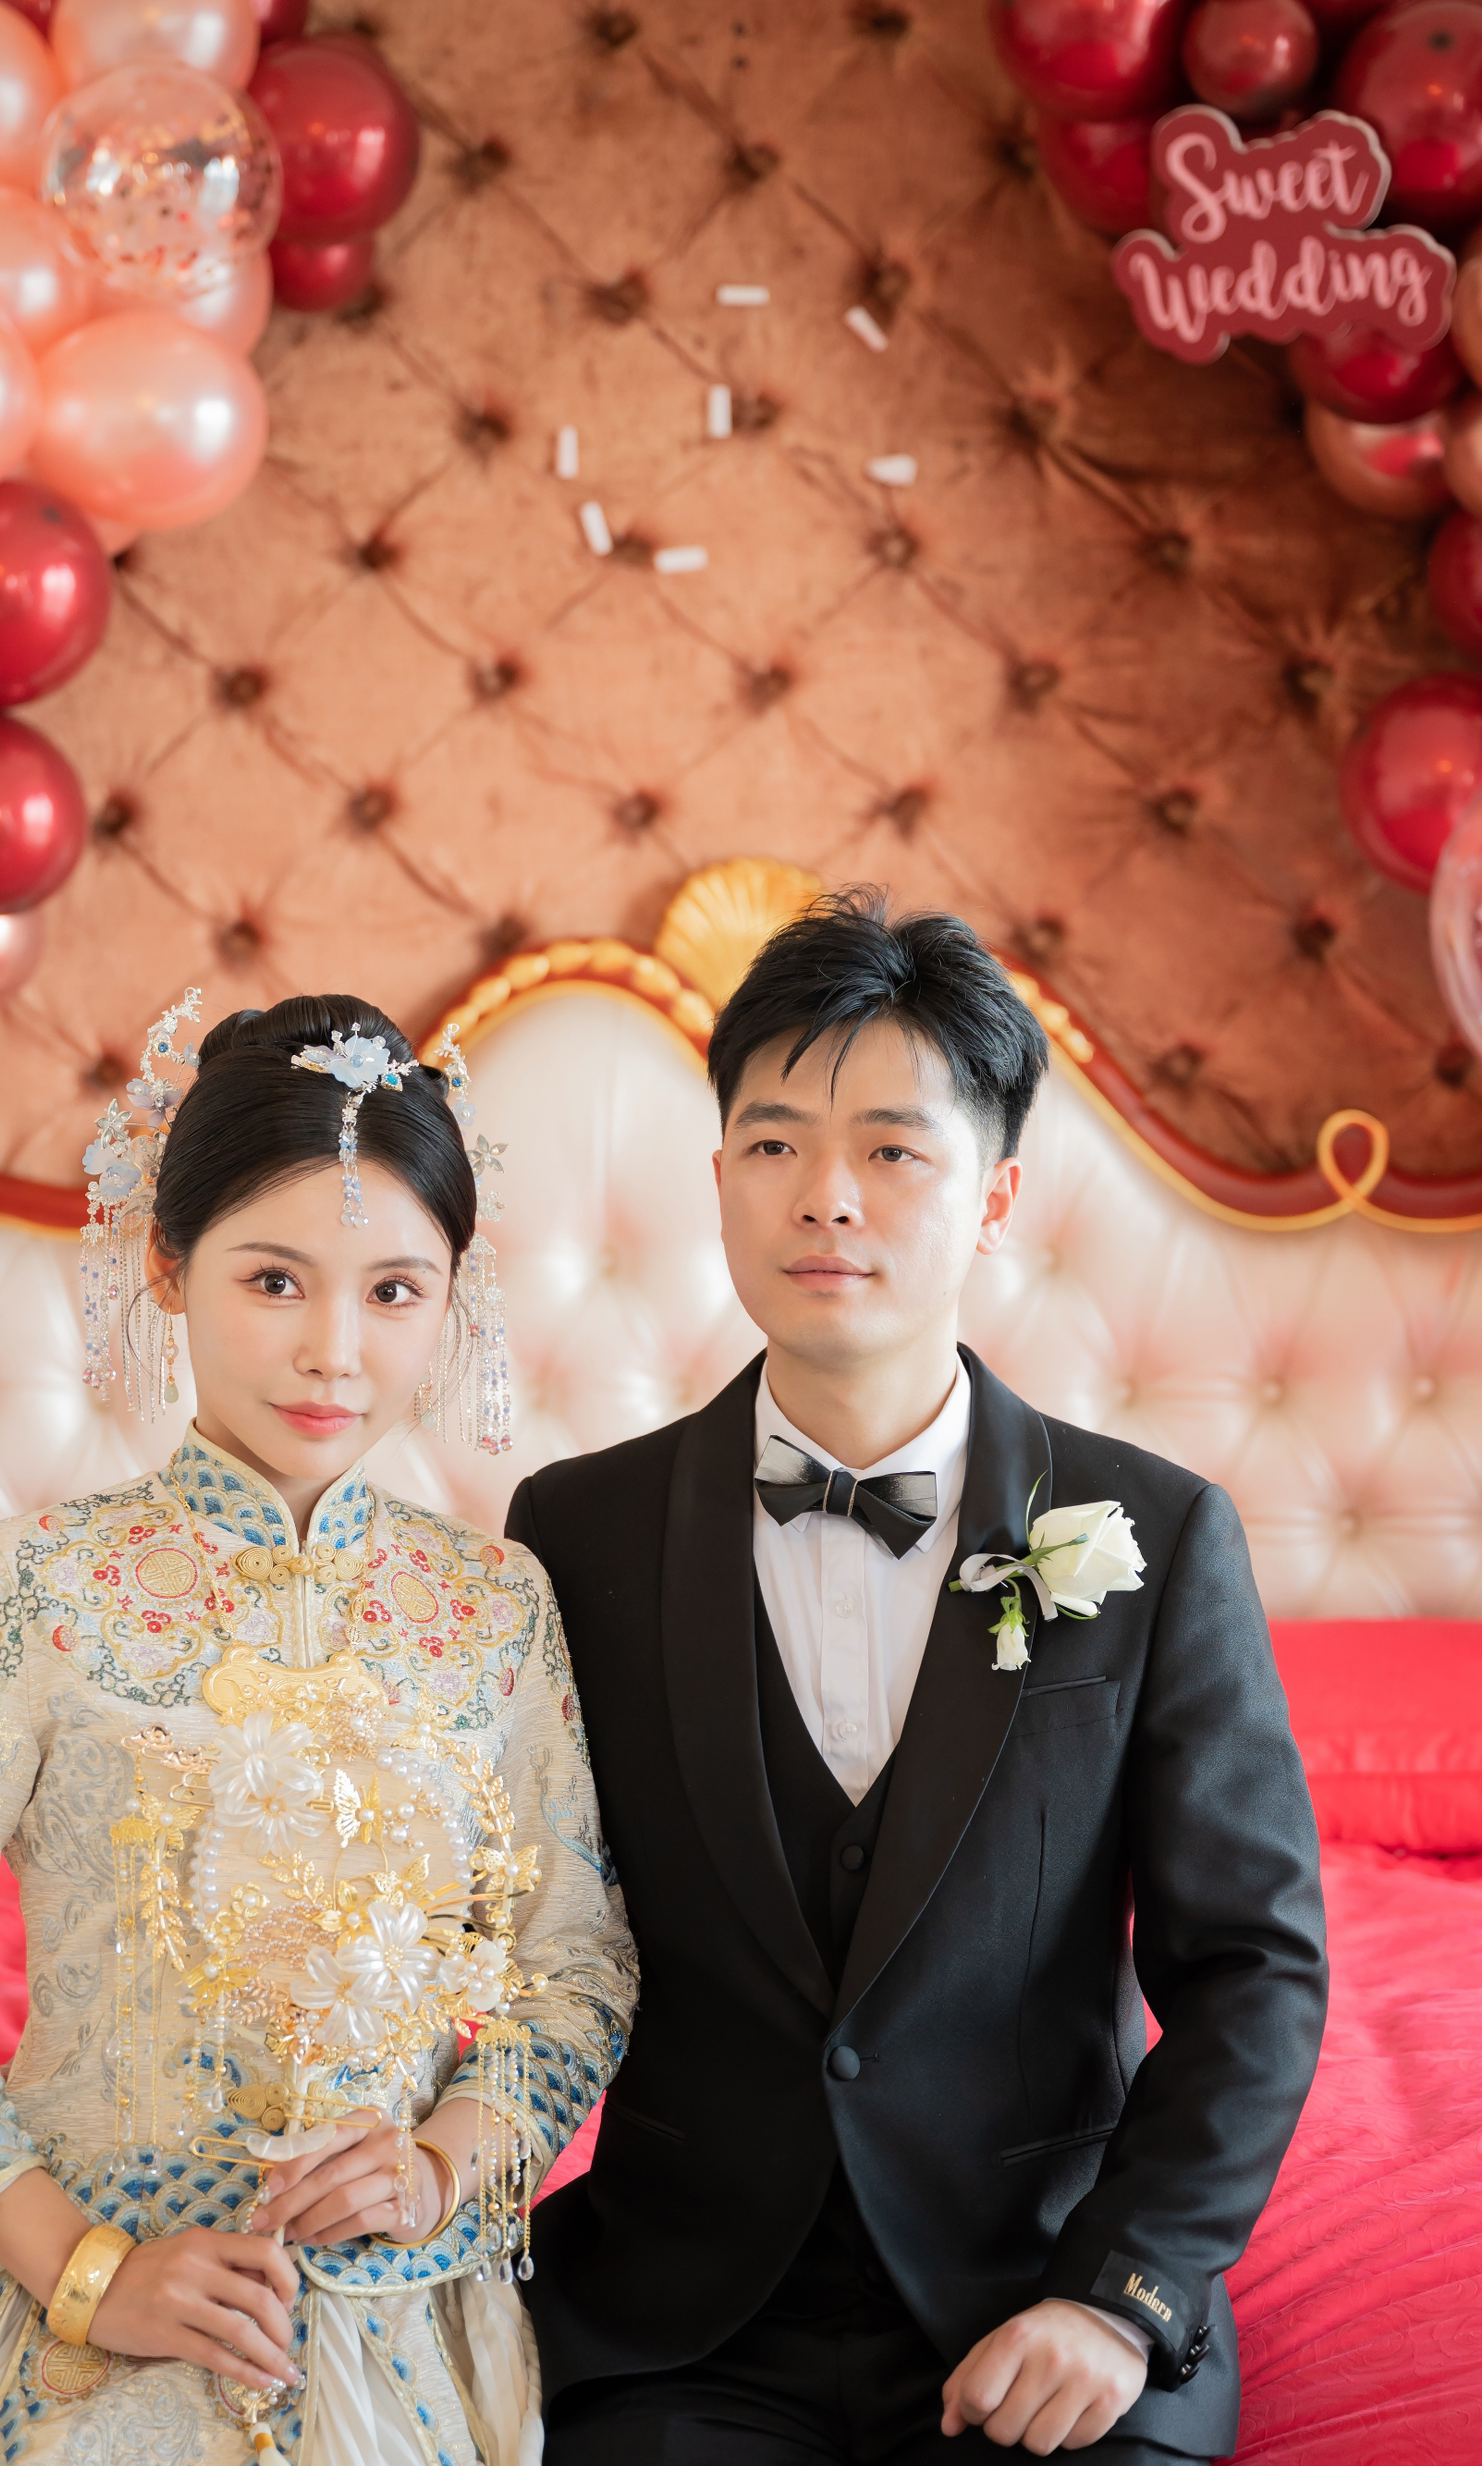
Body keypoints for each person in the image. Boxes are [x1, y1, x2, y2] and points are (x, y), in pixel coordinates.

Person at [0, 994, 635, 2466]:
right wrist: (85, 2272)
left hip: (399, 2301)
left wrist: (439, 2166)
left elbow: (579, 1968)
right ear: (167, 1266)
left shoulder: (494, 1604)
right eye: (275, 1280)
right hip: (82, 2282)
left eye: (394, 1292)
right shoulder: (30, 1585)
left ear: (453, 1301)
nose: (333, 1353)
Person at [508, 893, 1328, 2464]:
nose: (828, 1197)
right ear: (720, 1179)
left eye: (894, 1149)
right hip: (688, 2324)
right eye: (775, 1144)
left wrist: (1123, 2297)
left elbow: (1254, 1968)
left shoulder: (1156, 1534)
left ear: (996, 1197)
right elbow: (508, 1932)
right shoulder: (573, 1530)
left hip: (1044, 2295)